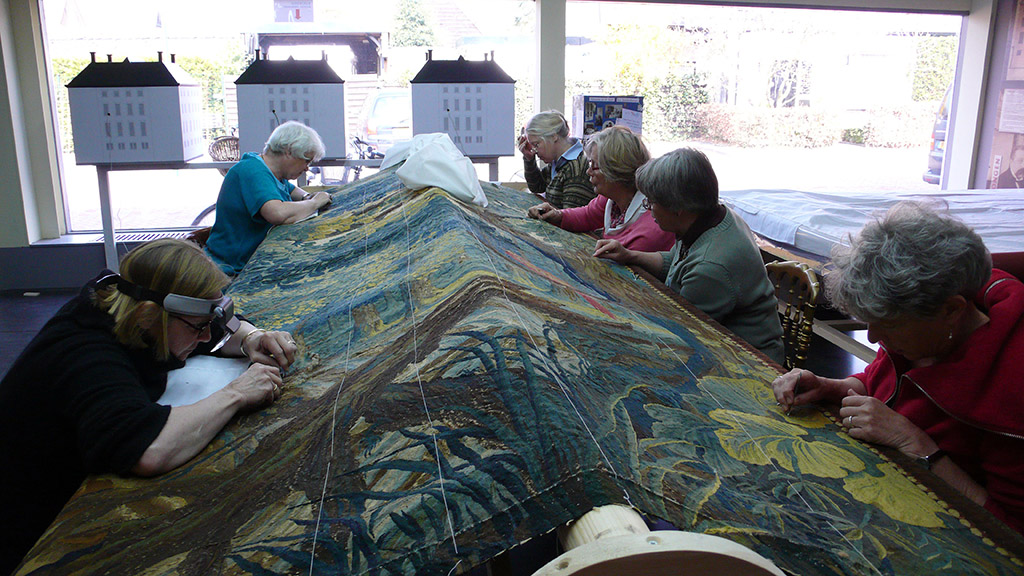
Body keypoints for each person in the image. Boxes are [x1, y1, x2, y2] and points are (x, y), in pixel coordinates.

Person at [0, 239, 298, 573]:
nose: (204, 336)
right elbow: (147, 448)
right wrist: (237, 393)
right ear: (148, 315)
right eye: (197, 328)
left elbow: (219, 328)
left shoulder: (134, 305)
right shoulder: (85, 354)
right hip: (20, 525)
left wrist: (253, 338)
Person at [773, 202, 1024, 534]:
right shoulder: (927, 330)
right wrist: (831, 386)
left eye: (887, 326)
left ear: (952, 310)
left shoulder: (1012, 387)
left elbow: (1012, 532)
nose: (875, 338)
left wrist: (917, 446)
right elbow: (888, 387)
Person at [593, 148, 785, 364]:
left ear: (678, 209)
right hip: (717, 341)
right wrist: (630, 255)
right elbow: (675, 263)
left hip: (749, 364)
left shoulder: (710, 268)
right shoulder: (709, 217)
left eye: (652, 203)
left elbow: (680, 335)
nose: (650, 211)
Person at [205, 121, 333, 275]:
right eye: (306, 160)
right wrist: (314, 202)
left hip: (246, 263)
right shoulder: (252, 170)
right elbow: (277, 213)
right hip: (231, 269)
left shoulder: (270, 172)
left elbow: (291, 190)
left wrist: (306, 196)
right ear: (289, 151)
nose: (307, 167)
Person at [527, 126, 675, 253]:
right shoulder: (612, 199)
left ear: (616, 171)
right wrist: (557, 215)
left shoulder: (650, 227)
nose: (588, 172)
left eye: (594, 166)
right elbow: (587, 215)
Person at [517, 110, 596, 209]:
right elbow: (537, 187)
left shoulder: (576, 169)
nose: (534, 151)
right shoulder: (559, 161)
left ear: (554, 136)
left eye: (536, 145)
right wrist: (529, 159)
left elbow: (569, 219)